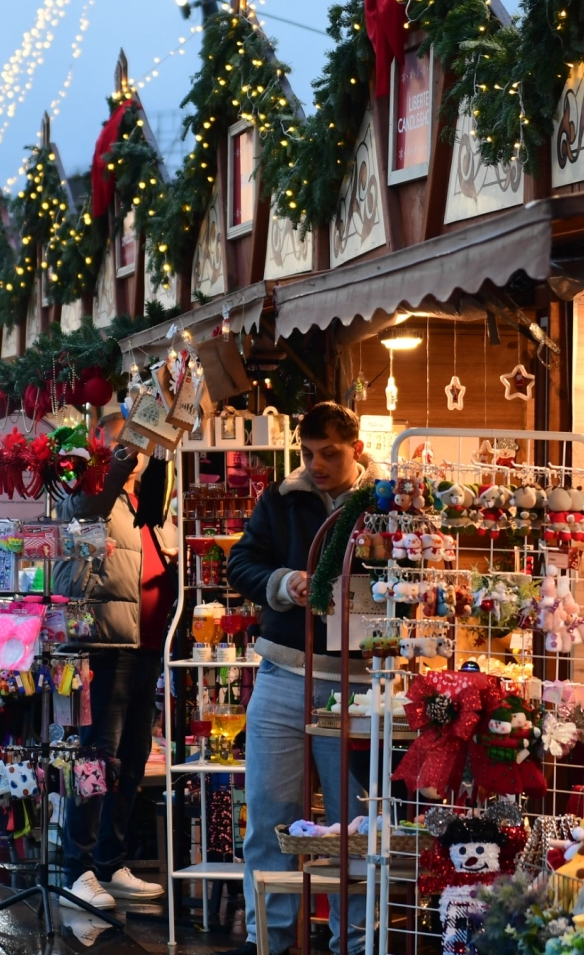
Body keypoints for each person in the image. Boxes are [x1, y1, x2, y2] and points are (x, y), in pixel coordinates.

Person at [223, 402, 374, 955]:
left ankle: (355, 943)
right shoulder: (281, 498)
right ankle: (268, 939)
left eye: (329, 453)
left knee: (356, 826)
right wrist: (285, 582)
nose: (317, 464)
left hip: (360, 685)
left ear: (355, 448)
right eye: (308, 453)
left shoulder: (384, 502)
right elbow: (242, 562)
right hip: (283, 674)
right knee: (269, 816)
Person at [55, 406, 176, 910]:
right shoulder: (88, 487)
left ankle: (110, 860)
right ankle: (76, 866)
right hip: (107, 640)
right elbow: (85, 513)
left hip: (148, 642)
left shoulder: (145, 495)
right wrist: (129, 456)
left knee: (129, 758)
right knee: (96, 754)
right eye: (124, 432)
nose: (137, 445)